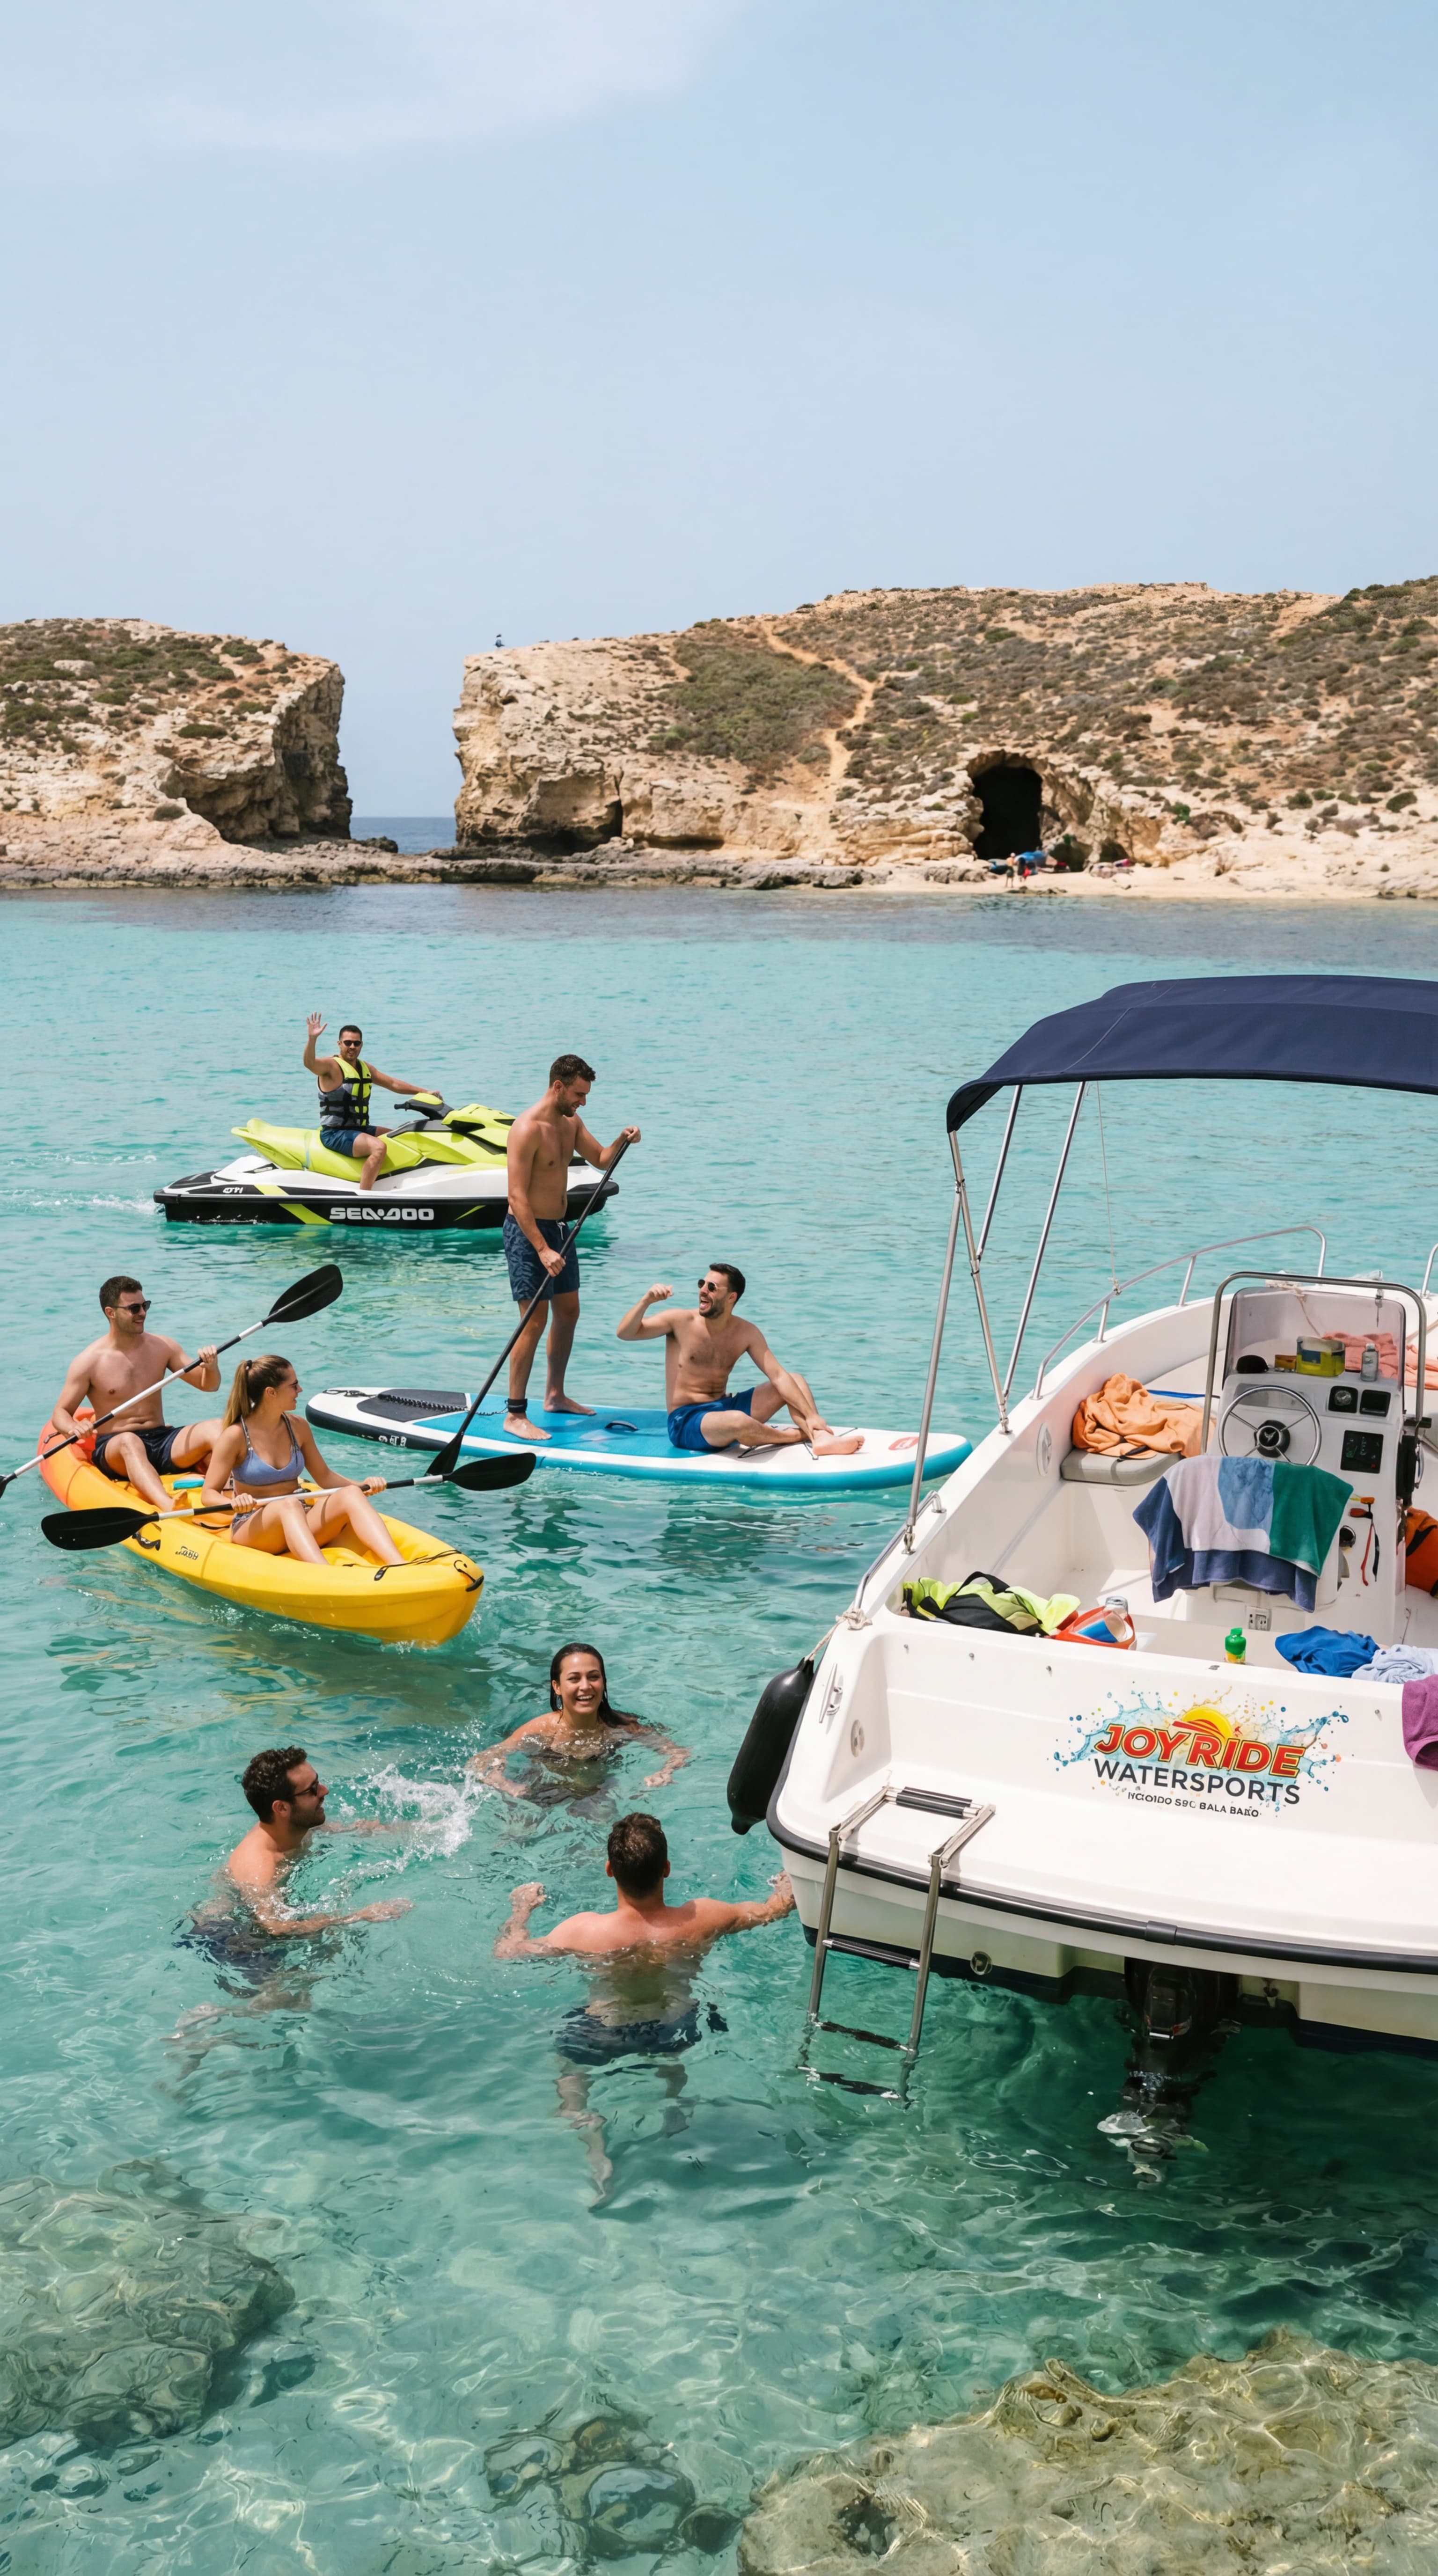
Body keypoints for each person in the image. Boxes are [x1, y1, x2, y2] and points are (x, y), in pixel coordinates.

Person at [494, 1812, 793, 2196]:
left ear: (609, 1870)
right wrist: (788, 1884)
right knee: (673, 2053)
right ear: (666, 1869)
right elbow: (774, 1910)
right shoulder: (703, 1917)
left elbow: (508, 1952)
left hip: (603, 2031)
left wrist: (521, 1910)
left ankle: (590, 2132)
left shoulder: (584, 1930)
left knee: (570, 2073)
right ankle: (674, 2106)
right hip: (674, 2028)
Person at [503, 1054, 639, 1440]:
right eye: (579, 1094)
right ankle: (515, 1414)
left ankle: (555, 1395)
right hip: (528, 1233)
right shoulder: (527, 1129)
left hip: (561, 1230)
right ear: (558, 1086)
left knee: (568, 1312)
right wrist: (542, 1249)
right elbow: (516, 1197)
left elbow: (602, 1159)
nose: (583, 1102)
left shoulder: (571, 1123)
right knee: (533, 1322)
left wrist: (623, 1139)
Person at [616, 1263, 862, 1456]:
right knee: (738, 1421)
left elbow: (778, 1375)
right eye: (702, 1284)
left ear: (731, 1297)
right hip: (686, 1421)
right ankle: (794, 1436)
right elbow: (625, 1333)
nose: (703, 1290)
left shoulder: (746, 1332)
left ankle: (819, 1437)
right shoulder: (679, 1321)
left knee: (795, 1380)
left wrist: (812, 1415)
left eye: (712, 1287)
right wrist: (646, 1301)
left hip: (724, 1407)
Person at [198, 1354, 407, 1566]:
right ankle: (324, 1573)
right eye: (294, 1385)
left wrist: (363, 1486)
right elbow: (209, 1494)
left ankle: (398, 1564)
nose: (300, 1390)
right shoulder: (235, 1436)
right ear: (271, 1393)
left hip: (299, 1517)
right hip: (254, 1526)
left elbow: (325, 1477)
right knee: (287, 1504)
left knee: (351, 1494)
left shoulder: (298, 1427)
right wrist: (234, 1503)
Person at [48, 1274, 221, 1511]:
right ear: (111, 1313)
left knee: (217, 1428)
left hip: (161, 1439)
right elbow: (60, 1413)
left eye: (145, 1306)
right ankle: (168, 1506)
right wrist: (73, 1428)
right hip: (117, 1447)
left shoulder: (163, 1347)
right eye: (134, 1309)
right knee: (130, 1441)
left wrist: (211, 1367)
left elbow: (208, 1385)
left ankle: (235, 1493)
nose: (143, 1313)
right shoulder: (89, 1361)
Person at [467, 1642, 688, 1806]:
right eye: (574, 1679)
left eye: (593, 1677)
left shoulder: (623, 1726)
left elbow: (679, 1753)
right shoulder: (540, 1729)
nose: (585, 1686)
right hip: (540, 1792)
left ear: (604, 1682)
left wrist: (665, 1772)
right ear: (557, 1687)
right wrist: (504, 1782)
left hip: (596, 1791)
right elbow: (477, 1763)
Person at [220, 1746, 411, 1934]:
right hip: (236, 1938)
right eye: (312, 1790)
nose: (324, 1791)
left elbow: (346, 1828)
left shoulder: (288, 1826)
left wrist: (402, 1829)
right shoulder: (262, 1867)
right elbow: (274, 1927)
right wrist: (359, 1916)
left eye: (318, 1782)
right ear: (282, 1809)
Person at [302, 1014, 439, 1194]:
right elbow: (310, 1063)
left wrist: (424, 1092)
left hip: (360, 1129)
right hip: (335, 1133)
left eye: (356, 1043)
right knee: (379, 1147)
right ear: (339, 1044)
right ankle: (364, 1196)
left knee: (401, 1136)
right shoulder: (331, 1066)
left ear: (361, 1045)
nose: (352, 1047)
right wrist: (312, 1039)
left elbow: (393, 1084)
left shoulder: (365, 1068)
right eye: (348, 1043)